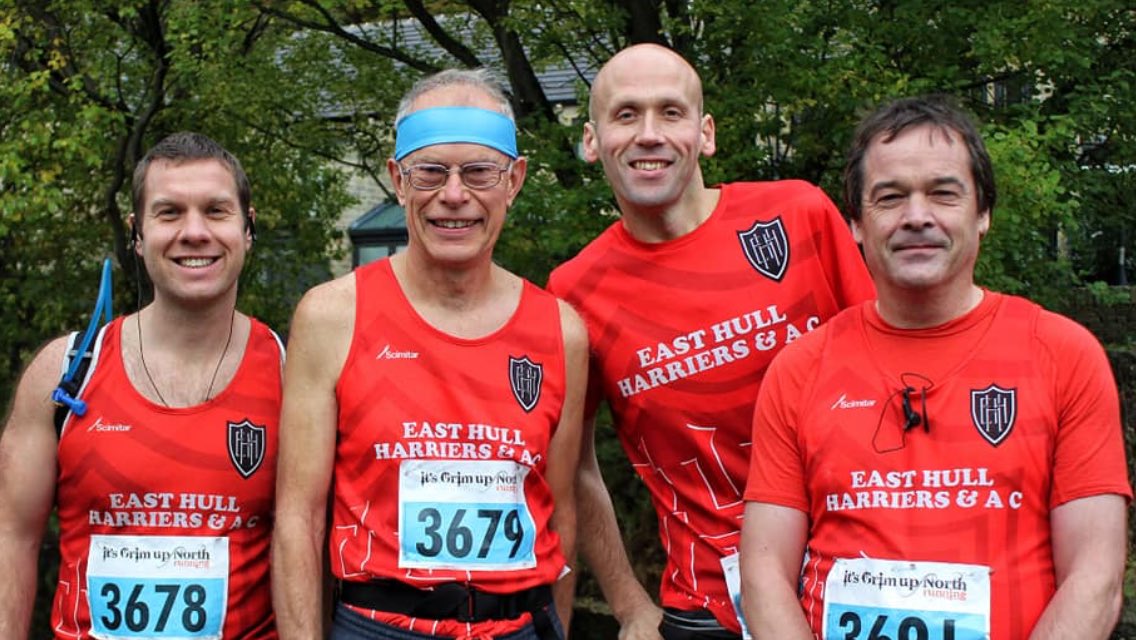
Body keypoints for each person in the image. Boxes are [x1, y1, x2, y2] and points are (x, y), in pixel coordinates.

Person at [740, 95, 1132, 640]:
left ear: (983, 213)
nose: (916, 216)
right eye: (890, 197)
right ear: (855, 221)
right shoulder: (800, 368)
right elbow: (763, 573)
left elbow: (1096, 576)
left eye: (943, 194)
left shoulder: (1064, 354)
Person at [546, 44, 875, 639]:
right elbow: (569, 465)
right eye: (626, 115)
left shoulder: (797, 215)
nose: (649, 134)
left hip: (860, 585)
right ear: (592, 141)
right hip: (708, 609)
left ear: (706, 134)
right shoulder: (575, 291)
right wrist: (627, 604)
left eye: (670, 112)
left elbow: (898, 378)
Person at [272, 68, 587, 640]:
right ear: (397, 179)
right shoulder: (331, 316)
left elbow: (560, 511)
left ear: (514, 180)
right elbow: (298, 518)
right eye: (431, 172)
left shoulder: (560, 330)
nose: (454, 195)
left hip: (518, 625)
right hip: (377, 624)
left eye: (479, 172)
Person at [0, 132, 284, 639]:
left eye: (216, 211)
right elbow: (12, 538)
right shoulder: (64, 372)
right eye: (169, 212)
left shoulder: (292, 371)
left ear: (248, 228)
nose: (194, 232)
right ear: (136, 233)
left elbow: (313, 542)